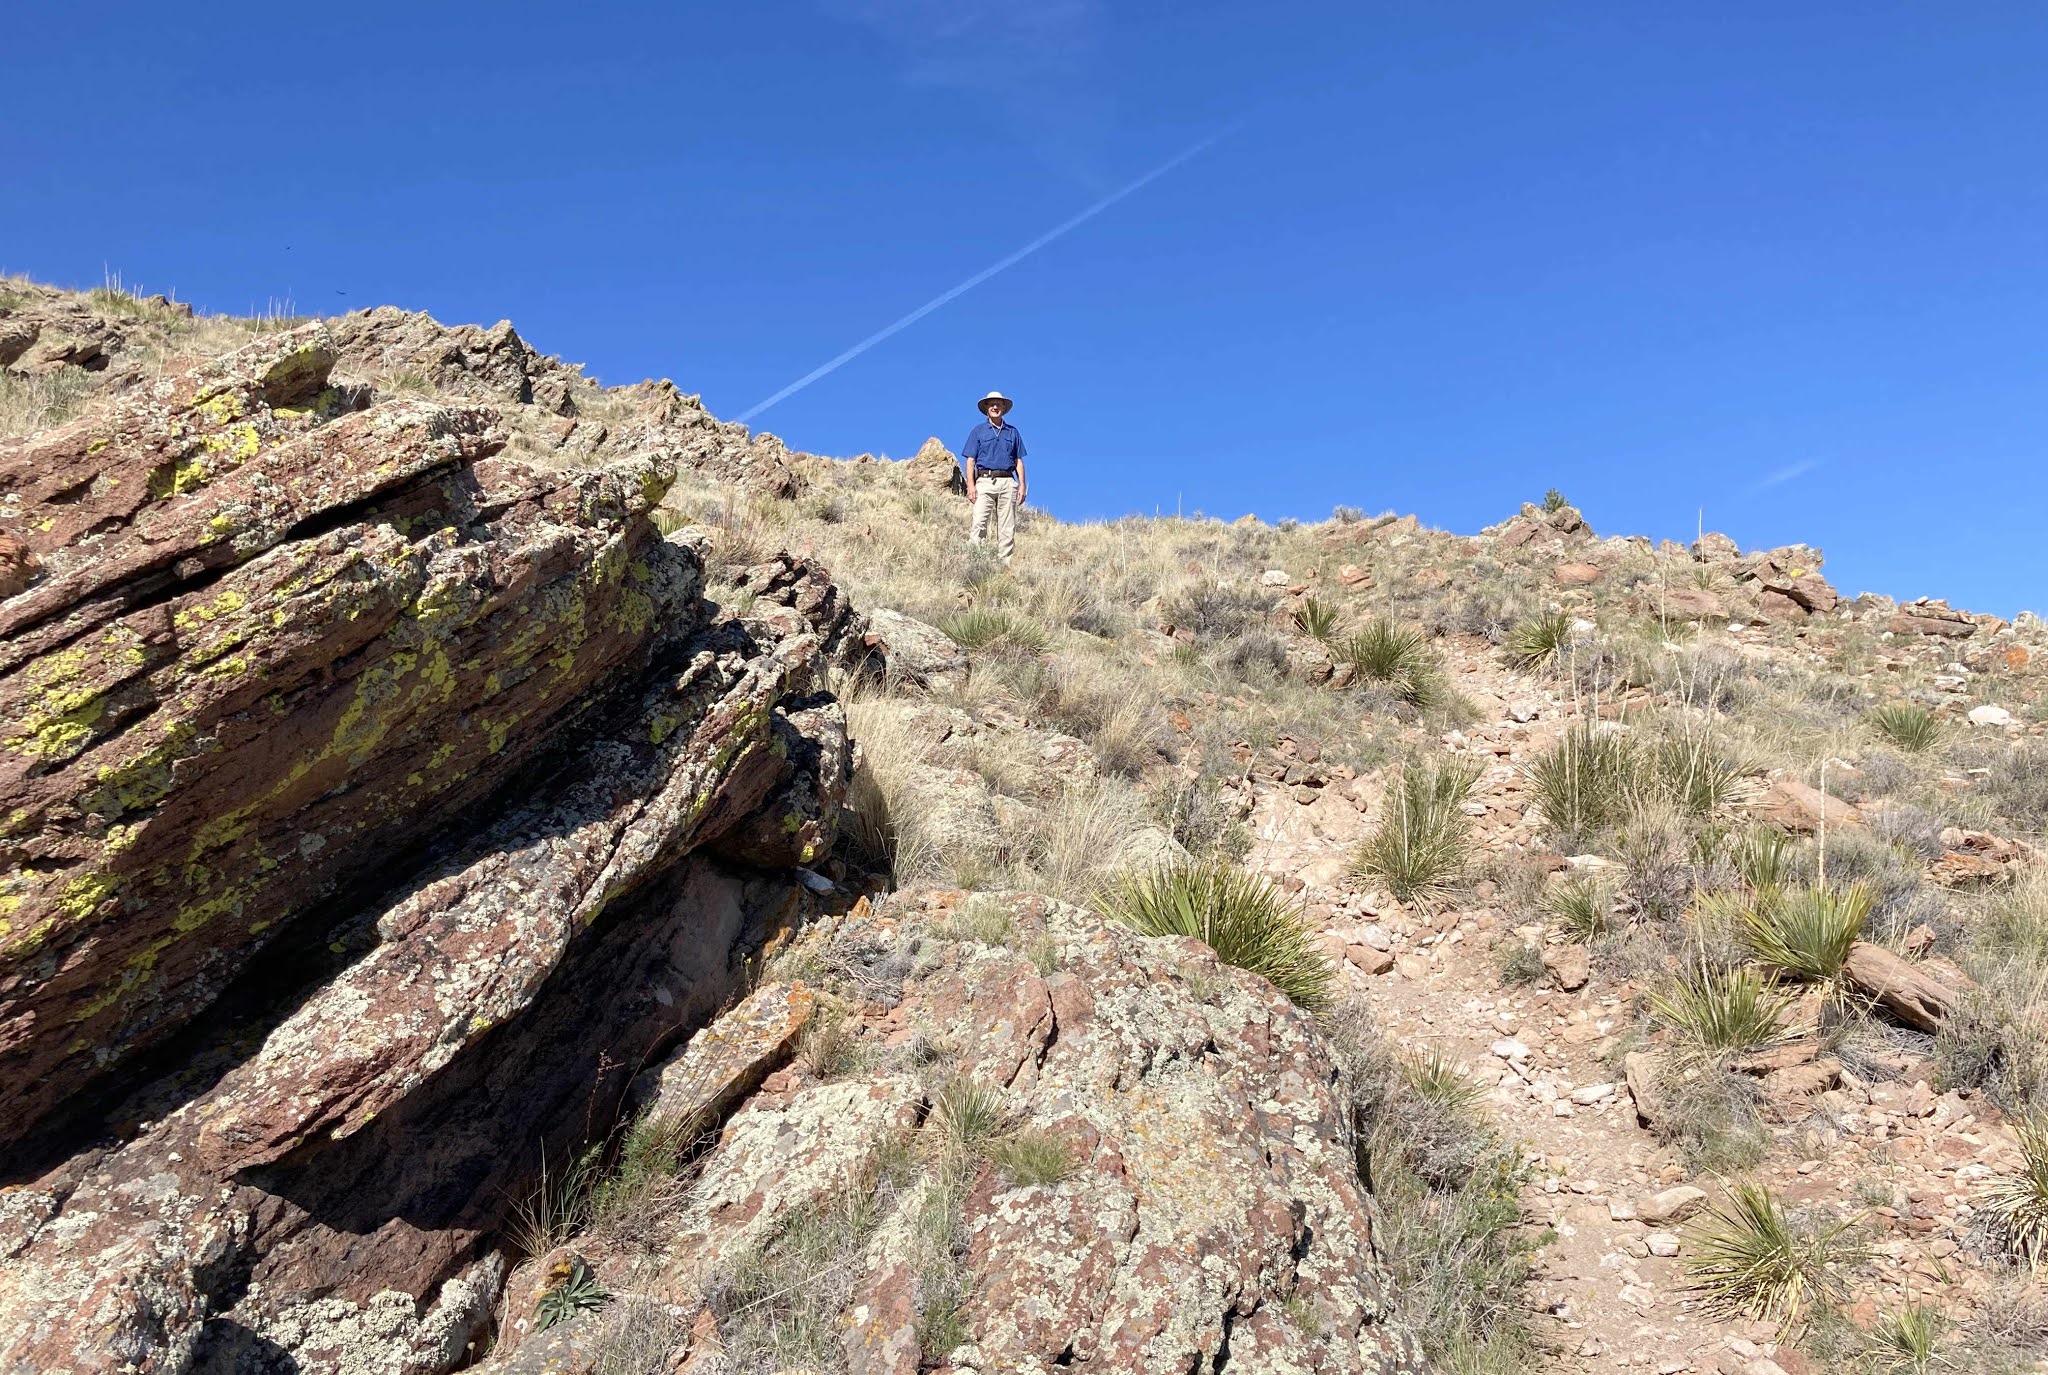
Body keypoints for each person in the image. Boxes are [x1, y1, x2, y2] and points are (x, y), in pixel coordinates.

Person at [962, 390, 1027, 562]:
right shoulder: (978, 431)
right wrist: (971, 485)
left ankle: (1004, 564)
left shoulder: (1012, 432)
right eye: (991, 404)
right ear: (986, 408)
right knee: (979, 523)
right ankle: (975, 561)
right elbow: (970, 460)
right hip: (984, 481)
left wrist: (1022, 485)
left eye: (998, 404)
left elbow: (1018, 460)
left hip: (1007, 481)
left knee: (1007, 527)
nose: (995, 407)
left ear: (1004, 407)